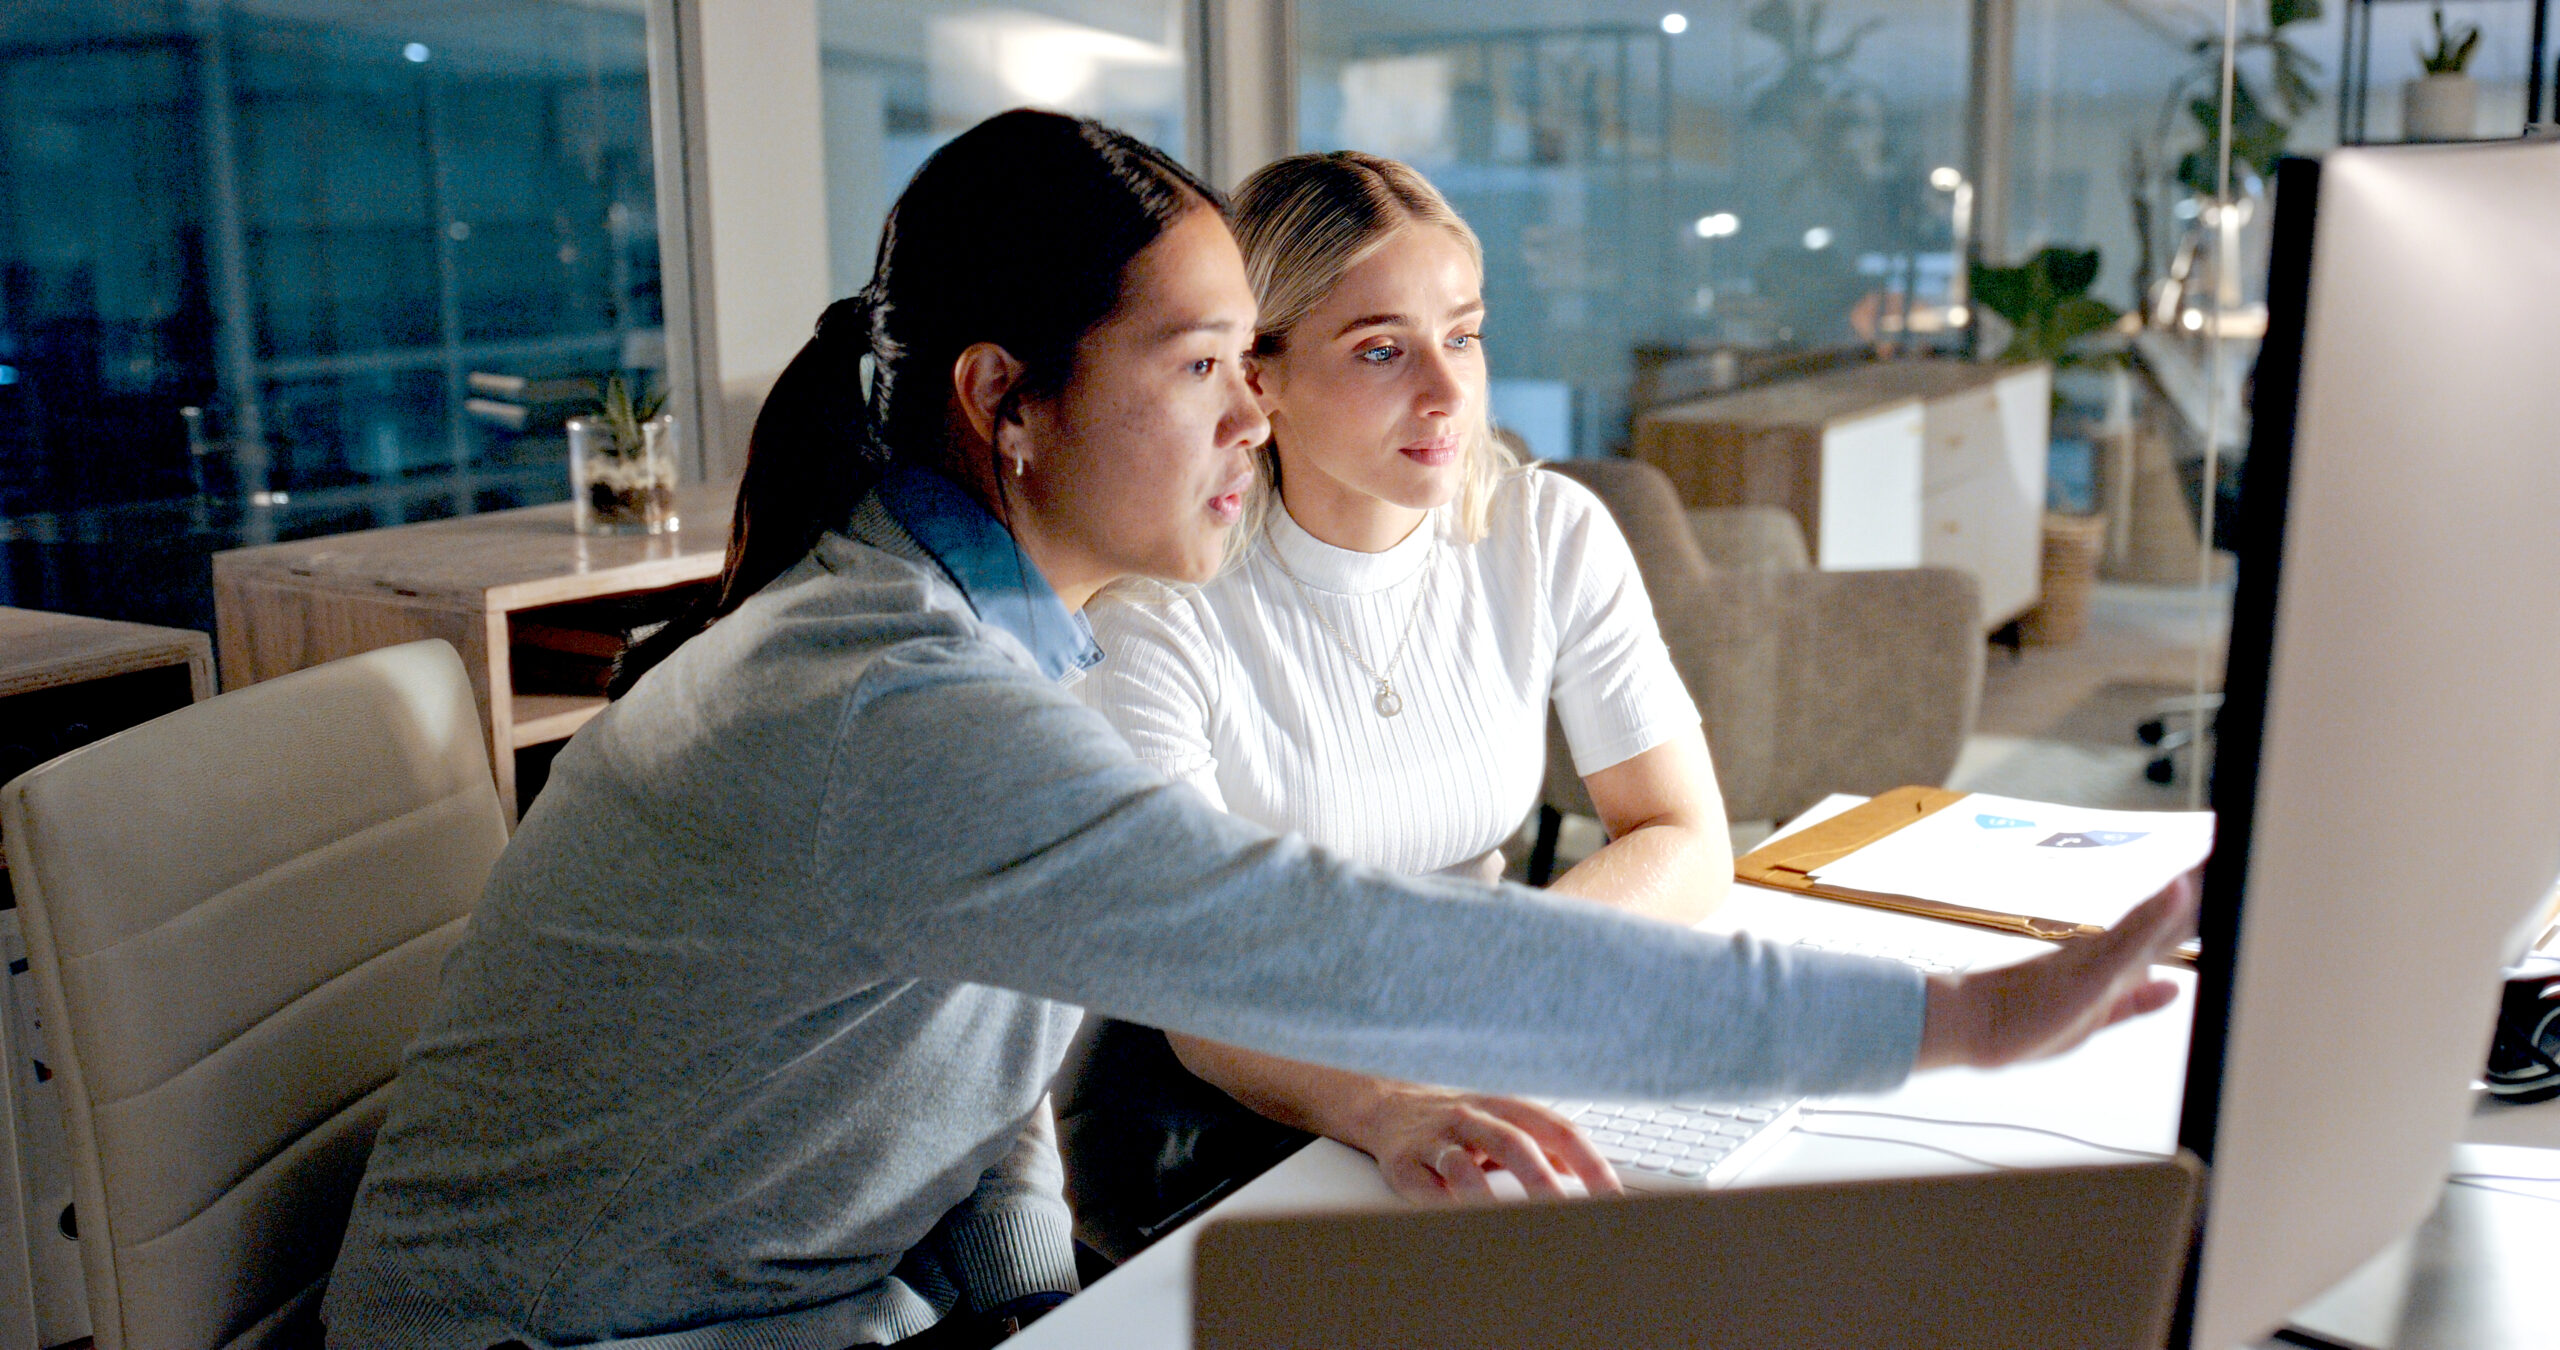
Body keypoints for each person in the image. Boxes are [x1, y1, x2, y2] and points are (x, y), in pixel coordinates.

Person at [323, 111, 2195, 1350]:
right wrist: (1945, 1024)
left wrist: (1048, 1321)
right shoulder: (894, 701)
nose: (1250, 421)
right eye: (1206, 366)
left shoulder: (997, 643)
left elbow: (985, 1114)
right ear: (1010, 402)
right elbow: (1336, 953)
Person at [1064, 151, 1732, 1239]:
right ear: (1257, 377)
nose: (1447, 391)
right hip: (1225, 1104)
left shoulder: (1545, 531)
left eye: (1461, 335)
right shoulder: (1159, 612)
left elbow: (1684, 834)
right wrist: (1392, 1100)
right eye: (1382, 350)